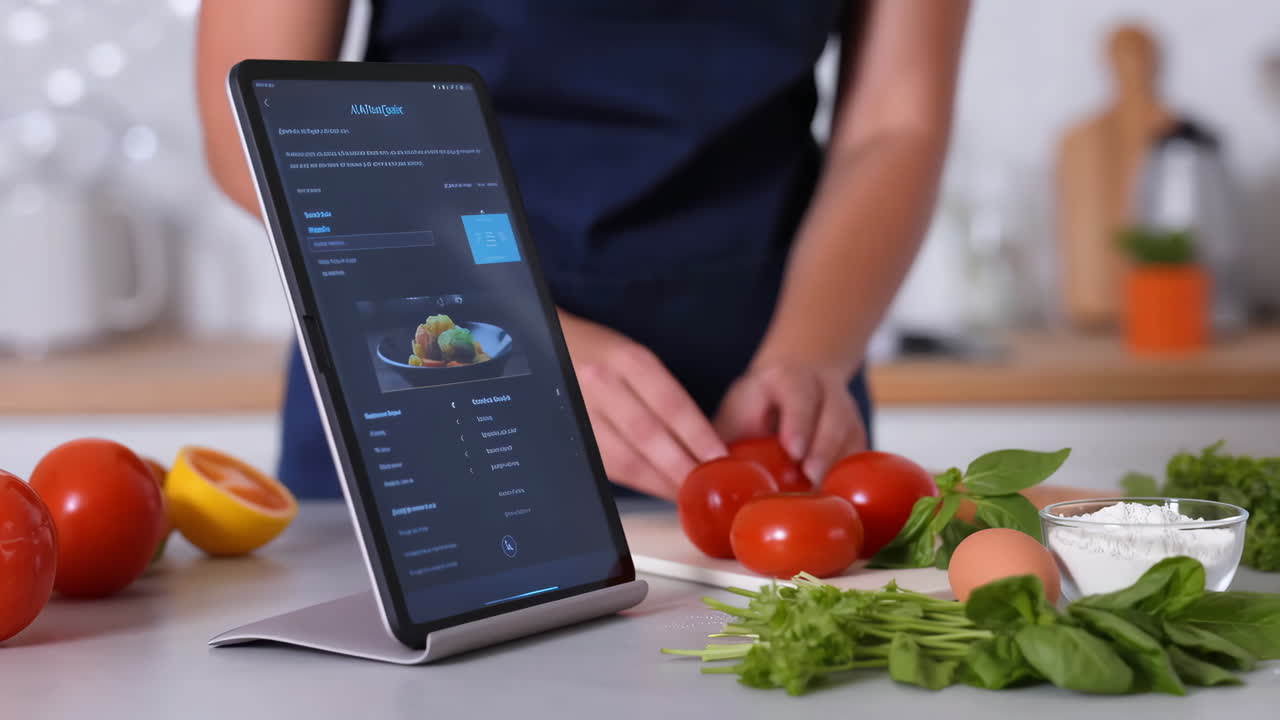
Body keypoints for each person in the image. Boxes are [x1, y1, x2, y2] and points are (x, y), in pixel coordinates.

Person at [197, 1, 969, 501]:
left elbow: (895, 124)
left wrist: (811, 355)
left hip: (760, 390)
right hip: (432, 351)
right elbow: (254, 120)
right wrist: (511, 331)